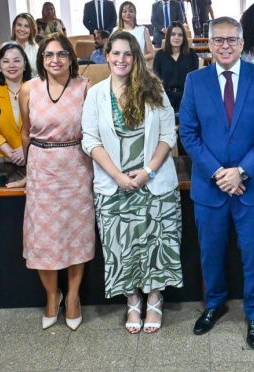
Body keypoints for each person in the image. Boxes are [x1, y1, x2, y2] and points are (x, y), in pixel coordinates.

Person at [179, 17, 254, 349]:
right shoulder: (195, 80)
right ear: (209, 44)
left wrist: (242, 171)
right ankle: (213, 304)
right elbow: (188, 134)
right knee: (210, 253)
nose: (225, 46)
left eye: (231, 40)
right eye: (218, 40)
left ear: (242, 44)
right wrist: (219, 173)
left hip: (252, 187)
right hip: (210, 188)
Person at [82, 31, 182, 334]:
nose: (121, 59)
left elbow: (168, 134)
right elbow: (90, 140)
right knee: (121, 247)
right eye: (115, 53)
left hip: (153, 182)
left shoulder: (154, 88)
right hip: (114, 185)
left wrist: (148, 171)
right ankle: (133, 300)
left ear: (136, 57)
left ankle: (154, 298)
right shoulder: (96, 94)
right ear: (106, 56)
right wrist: (117, 176)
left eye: (128, 53)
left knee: (156, 243)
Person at [7, 33, 95, 331]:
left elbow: (94, 132)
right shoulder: (28, 88)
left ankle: (73, 297)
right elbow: (25, 132)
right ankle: (51, 295)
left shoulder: (85, 87)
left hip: (77, 167)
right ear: (41, 59)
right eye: (48, 55)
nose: (55, 60)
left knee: (76, 236)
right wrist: (28, 173)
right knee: (43, 238)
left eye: (61, 54)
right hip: (42, 169)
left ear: (71, 58)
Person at [0, 43, 33, 166]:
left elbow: (44, 126)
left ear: (25, 64)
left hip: (36, 154)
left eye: (16, 60)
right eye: (6, 61)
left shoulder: (36, 89)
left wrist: (26, 147)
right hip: (6, 159)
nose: (11, 65)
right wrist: (11, 154)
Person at [153, 21, 199, 112]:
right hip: (165, 98)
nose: (176, 37)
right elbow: (156, 81)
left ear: (184, 37)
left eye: (180, 35)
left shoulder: (191, 54)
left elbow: (195, 79)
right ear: (168, 37)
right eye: (173, 34)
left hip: (187, 97)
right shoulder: (159, 55)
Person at [0, 13, 39, 79]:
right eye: (19, 25)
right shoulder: (2, 48)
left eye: (26, 26)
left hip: (33, 84)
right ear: (14, 27)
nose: (22, 29)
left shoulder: (38, 49)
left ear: (31, 30)